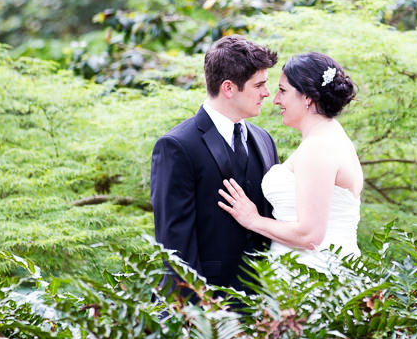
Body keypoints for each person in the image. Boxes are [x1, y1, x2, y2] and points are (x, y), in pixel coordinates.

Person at [150, 35, 279, 294]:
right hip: (208, 307)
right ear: (229, 88)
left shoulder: (264, 140)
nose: (267, 93)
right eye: (259, 85)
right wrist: (198, 315)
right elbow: (175, 247)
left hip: (264, 309)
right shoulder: (176, 146)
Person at [218, 52, 362, 272]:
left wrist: (253, 220)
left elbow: (309, 234)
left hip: (314, 278)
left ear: (307, 97)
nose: (275, 99)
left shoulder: (318, 147)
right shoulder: (331, 137)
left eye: (283, 91)